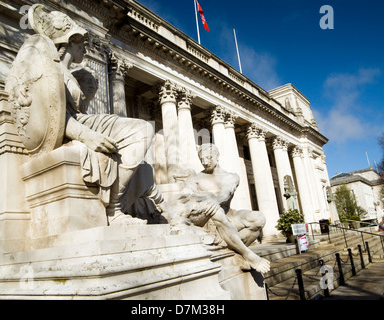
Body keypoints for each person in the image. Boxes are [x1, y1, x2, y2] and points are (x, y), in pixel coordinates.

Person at [28, 4, 162, 224]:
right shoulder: (50, 69)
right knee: (143, 130)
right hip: (78, 126)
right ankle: (114, 207)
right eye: (82, 43)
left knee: (142, 136)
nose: (86, 49)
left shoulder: (67, 72)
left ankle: (122, 204)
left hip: (84, 123)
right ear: (71, 40)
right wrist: (87, 136)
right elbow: (53, 115)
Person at [163, 143, 270, 274]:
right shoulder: (196, 177)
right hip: (206, 216)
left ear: (217, 156)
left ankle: (233, 250)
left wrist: (216, 200)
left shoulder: (231, 176)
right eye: (201, 159)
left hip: (227, 213)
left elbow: (227, 192)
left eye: (209, 157)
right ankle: (247, 254)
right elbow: (187, 193)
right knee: (214, 210)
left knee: (258, 219)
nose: (205, 162)